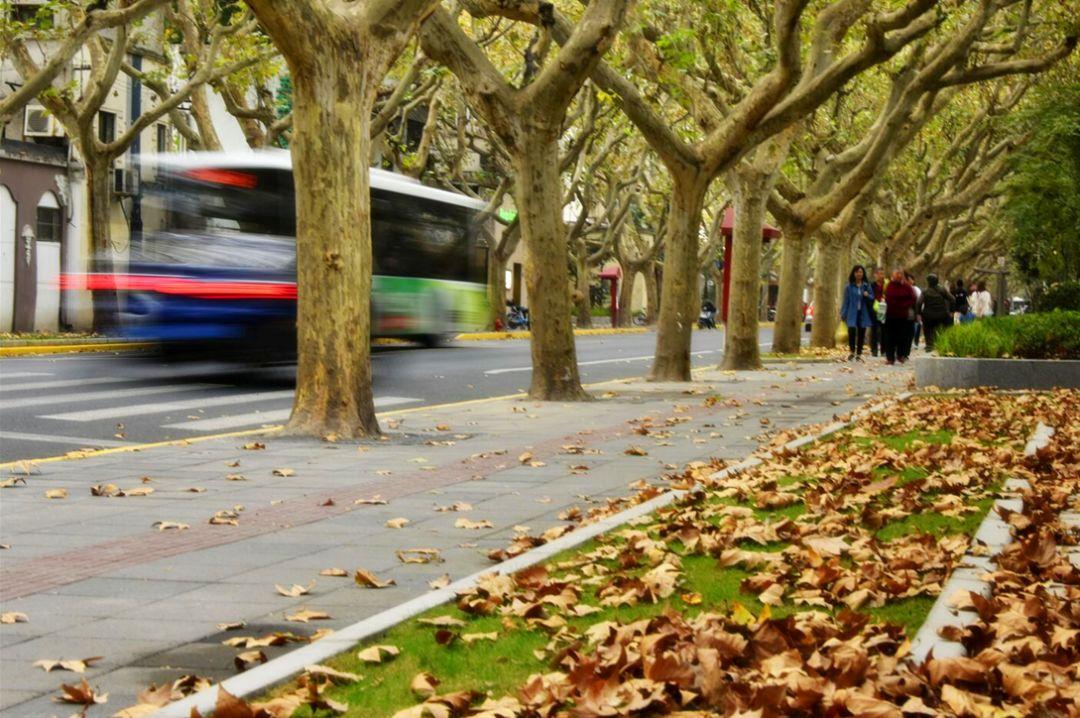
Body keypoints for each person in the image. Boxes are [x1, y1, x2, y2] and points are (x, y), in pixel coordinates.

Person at [840, 264, 874, 361]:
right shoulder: (849, 287)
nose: (859, 274)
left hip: (863, 313)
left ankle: (859, 353)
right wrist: (843, 313)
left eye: (861, 272)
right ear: (854, 273)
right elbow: (846, 301)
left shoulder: (866, 286)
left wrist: (867, 295)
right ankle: (851, 351)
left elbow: (872, 297)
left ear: (863, 274)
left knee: (861, 332)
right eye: (857, 272)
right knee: (851, 330)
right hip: (852, 312)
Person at [883, 268, 916, 365]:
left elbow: (913, 298)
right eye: (897, 274)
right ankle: (890, 358)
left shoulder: (906, 286)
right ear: (893, 276)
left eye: (900, 275)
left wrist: (905, 305)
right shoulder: (889, 285)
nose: (899, 276)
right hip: (890, 315)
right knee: (890, 337)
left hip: (902, 315)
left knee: (902, 337)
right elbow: (886, 296)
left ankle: (900, 355)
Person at [916, 274, 954, 351]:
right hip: (941, 314)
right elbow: (952, 299)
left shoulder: (925, 291)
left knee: (927, 330)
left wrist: (918, 313)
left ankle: (929, 345)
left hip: (928, 315)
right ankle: (941, 344)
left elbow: (919, 303)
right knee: (941, 330)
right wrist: (951, 311)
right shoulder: (942, 290)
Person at [869, 267, 886, 356]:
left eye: (883, 274)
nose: (881, 276)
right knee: (874, 329)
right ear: (875, 275)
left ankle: (883, 349)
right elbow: (870, 296)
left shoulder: (886, 284)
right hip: (875, 309)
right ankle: (874, 349)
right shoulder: (872, 285)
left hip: (884, 309)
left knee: (884, 329)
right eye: (879, 274)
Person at [906, 272, 922, 349]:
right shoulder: (903, 288)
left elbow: (919, 301)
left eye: (910, 279)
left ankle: (914, 342)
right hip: (904, 312)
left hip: (913, 312)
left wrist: (919, 312)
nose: (909, 281)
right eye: (908, 279)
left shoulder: (916, 289)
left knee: (914, 328)